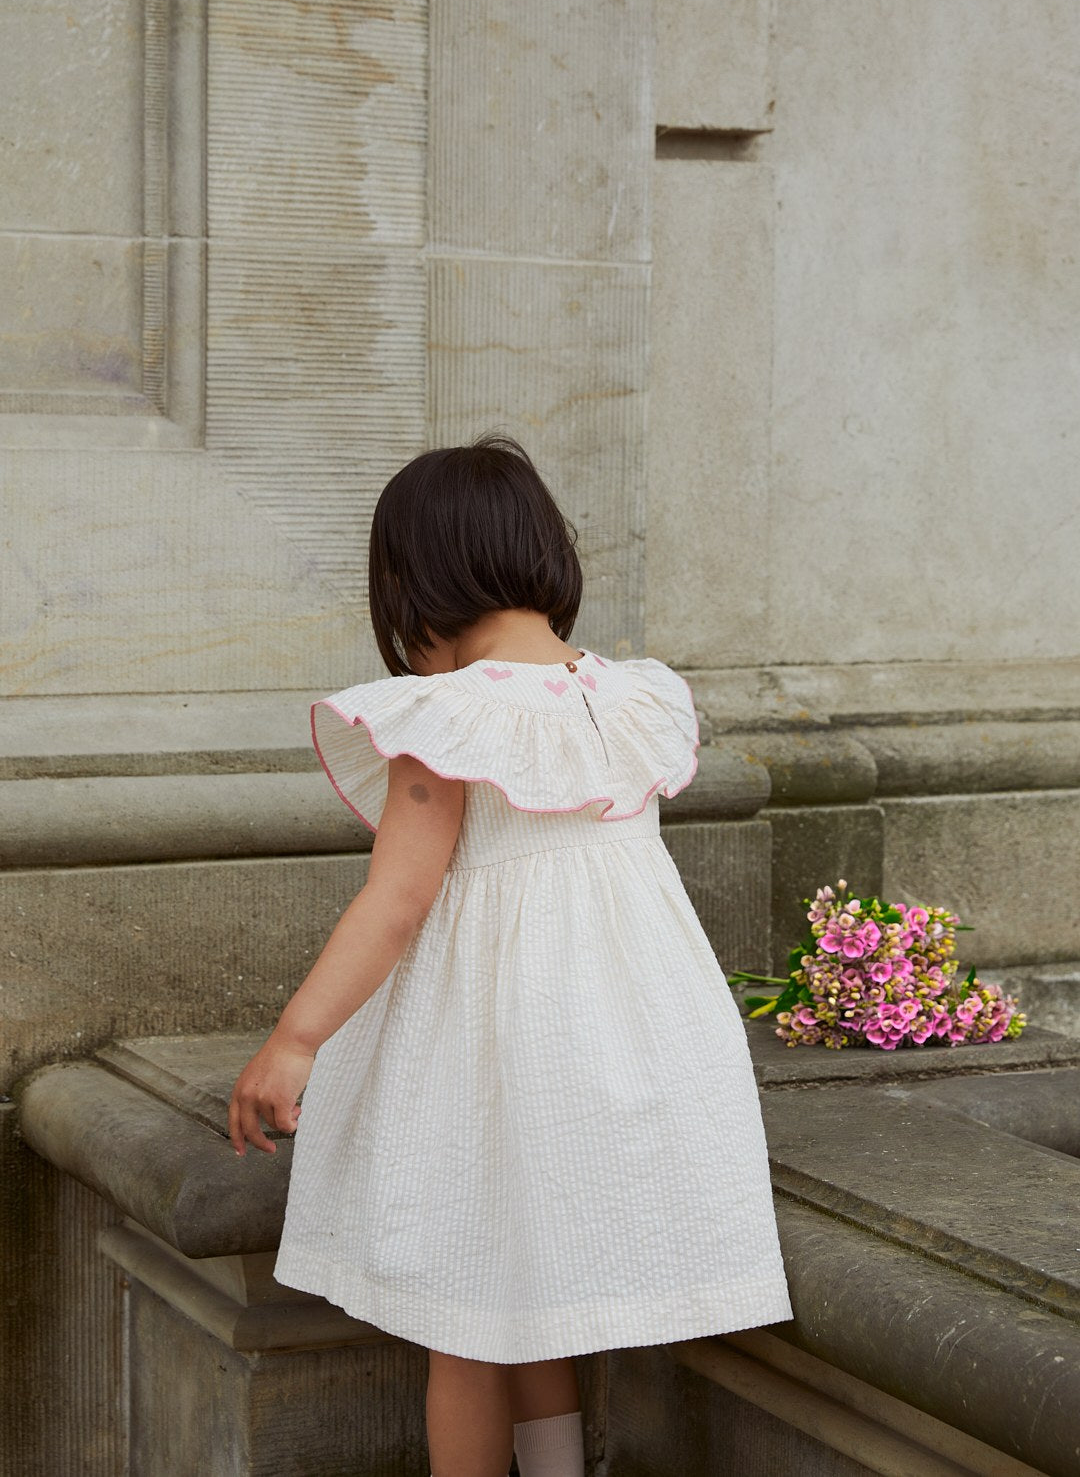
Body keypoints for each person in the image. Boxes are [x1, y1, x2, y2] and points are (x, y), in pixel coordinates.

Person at [228, 431, 794, 1477]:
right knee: (539, 1295)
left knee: (466, 1315)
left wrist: (295, 1041)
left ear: (414, 581)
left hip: (490, 1046)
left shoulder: (446, 717)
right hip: (626, 1038)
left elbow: (397, 904)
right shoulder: (633, 697)